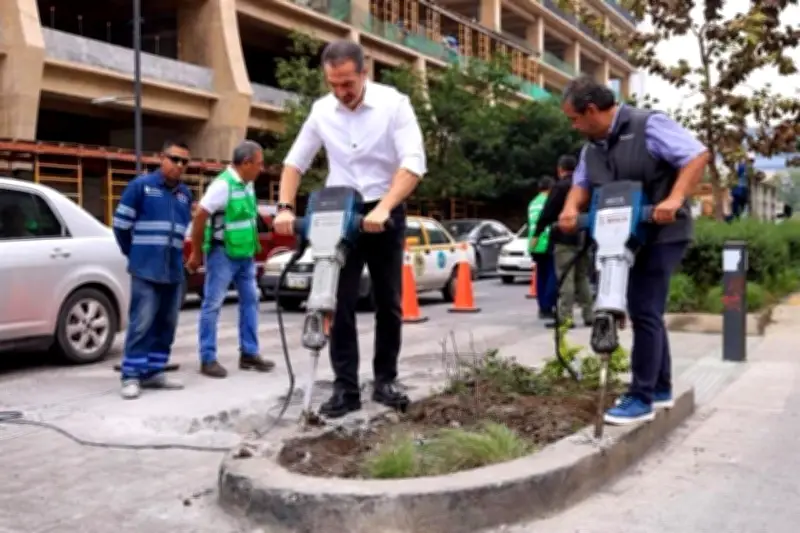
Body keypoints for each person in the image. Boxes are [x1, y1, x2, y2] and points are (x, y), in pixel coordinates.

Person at [273, 40, 426, 419]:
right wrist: (285, 208)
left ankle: (385, 380)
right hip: (339, 209)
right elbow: (295, 163)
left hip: (383, 207)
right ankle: (345, 388)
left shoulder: (394, 104)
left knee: (387, 302)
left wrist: (386, 208)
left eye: (347, 83)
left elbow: (413, 164)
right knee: (336, 302)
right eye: (333, 84)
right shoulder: (322, 111)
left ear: (363, 72)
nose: (341, 92)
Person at [557, 76, 709, 425]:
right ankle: (659, 388)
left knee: (643, 307)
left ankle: (640, 397)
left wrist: (674, 199)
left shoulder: (648, 125)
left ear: (592, 110)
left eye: (574, 118)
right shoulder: (591, 147)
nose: (574, 125)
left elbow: (697, 154)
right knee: (647, 311)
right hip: (619, 234)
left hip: (662, 233)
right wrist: (570, 209)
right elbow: (581, 183)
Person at [112, 140, 194, 399]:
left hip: (173, 270)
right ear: (161, 158)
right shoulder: (141, 187)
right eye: (174, 158)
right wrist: (134, 253)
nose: (179, 165)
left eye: (184, 161)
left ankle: (154, 371)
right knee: (142, 322)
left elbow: (184, 231)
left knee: (166, 323)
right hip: (145, 269)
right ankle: (131, 375)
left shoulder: (184, 194)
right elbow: (121, 225)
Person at [187, 140, 275, 378]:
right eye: (259, 164)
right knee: (212, 304)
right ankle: (208, 358)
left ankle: (249, 353)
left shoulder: (247, 184)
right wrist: (196, 252)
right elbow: (199, 217)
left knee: (251, 300)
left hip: (245, 254)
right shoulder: (222, 186)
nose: (261, 169)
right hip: (222, 254)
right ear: (245, 163)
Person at [532, 155, 593, 329]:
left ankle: (565, 317)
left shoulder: (561, 187)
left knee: (565, 277)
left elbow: (548, 212)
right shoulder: (586, 185)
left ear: (560, 169)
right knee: (582, 277)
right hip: (585, 237)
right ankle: (589, 314)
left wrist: (537, 233)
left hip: (565, 238)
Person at [527, 177, 557, 319]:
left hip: (535, 244)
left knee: (541, 275)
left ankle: (542, 306)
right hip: (548, 242)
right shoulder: (550, 202)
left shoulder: (532, 203)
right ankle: (549, 305)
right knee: (552, 274)